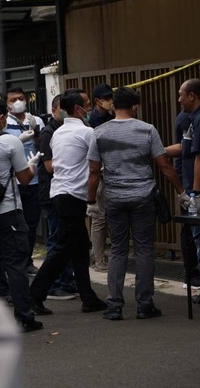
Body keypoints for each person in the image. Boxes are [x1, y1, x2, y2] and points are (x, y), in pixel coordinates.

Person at [87, 86, 186, 320]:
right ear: (134, 107)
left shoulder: (98, 133)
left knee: (118, 250)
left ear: (113, 106)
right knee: (143, 250)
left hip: (114, 198)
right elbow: (164, 165)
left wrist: (90, 201)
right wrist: (181, 192)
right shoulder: (147, 130)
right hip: (143, 197)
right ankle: (144, 304)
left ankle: (114, 305)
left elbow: (93, 172)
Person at [28, 89, 107, 315]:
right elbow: (95, 166)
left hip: (61, 194)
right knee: (62, 249)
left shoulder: (59, 133)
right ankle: (34, 296)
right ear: (77, 109)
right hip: (73, 196)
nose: (90, 109)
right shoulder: (86, 133)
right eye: (87, 105)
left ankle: (87, 296)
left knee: (79, 247)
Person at [0, 96, 43, 333]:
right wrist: (32, 164)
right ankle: (24, 317)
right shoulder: (9, 141)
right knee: (15, 264)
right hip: (8, 212)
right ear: (1, 117)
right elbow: (25, 179)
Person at [166, 78, 200, 305]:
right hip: (193, 187)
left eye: (181, 94)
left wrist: (196, 193)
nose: (179, 99)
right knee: (198, 238)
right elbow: (184, 148)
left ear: (192, 96)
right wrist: (157, 152)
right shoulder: (191, 119)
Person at [37, 94, 77, 300]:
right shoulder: (48, 133)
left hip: (62, 192)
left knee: (65, 239)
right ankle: (53, 285)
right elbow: (49, 166)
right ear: (53, 110)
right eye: (61, 108)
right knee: (55, 240)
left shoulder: (63, 131)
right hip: (51, 193)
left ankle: (67, 281)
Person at [4, 87, 46, 276]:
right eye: (13, 99)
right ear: (7, 102)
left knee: (31, 223)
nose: (17, 102)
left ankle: (27, 261)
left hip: (35, 179)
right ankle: (13, 262)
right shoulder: (4, 122)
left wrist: (35, 132)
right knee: (15, 225)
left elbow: (44, 145)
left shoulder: (35, 120)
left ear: (27, 99)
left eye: (20, 98)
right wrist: (19, 140)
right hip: (14, 181)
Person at [86, 83, 116, 272]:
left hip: (109, 170)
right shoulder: (93, 121)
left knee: (107, 217)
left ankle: (102, 256)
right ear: (98, 101)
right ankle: (98, 259)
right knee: (99, 218)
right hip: (99, 172)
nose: (110, 101)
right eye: (107, 98)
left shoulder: (110, 116)